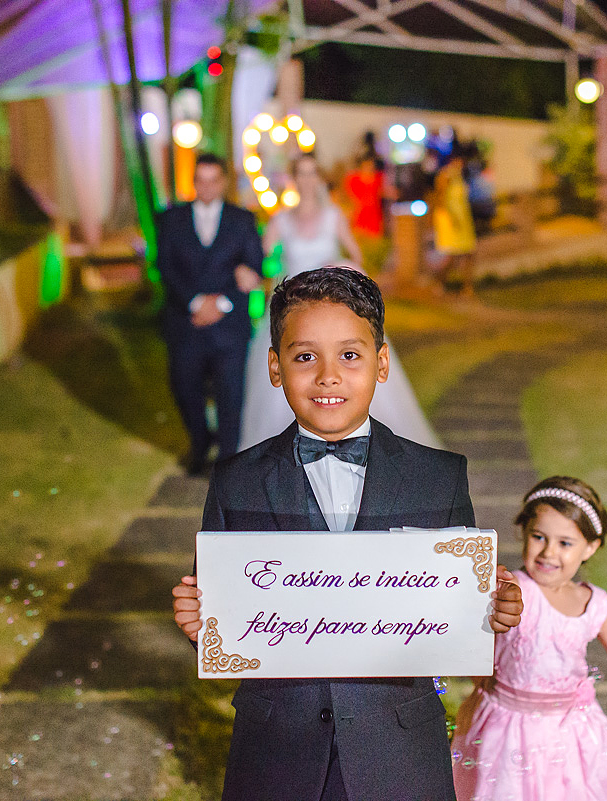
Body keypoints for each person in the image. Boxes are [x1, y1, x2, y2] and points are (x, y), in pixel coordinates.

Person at [171, 267, 525, 801]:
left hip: (399, 750)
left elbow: (456, 602)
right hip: (276, 748)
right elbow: (224, 600)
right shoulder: (236, 481)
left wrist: (491, 609)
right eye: (305, 356)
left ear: (382, 363)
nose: (328, 376)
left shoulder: (438, 476)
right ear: (275, 366)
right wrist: (202, 622)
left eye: (350, 355)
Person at [452, 476, 607, 801]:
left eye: (565, 543)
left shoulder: (594, 603)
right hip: (507, 730)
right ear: (523, 532)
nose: (548, 552)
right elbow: (475, 640)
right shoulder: (515, 590)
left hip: (573, 732)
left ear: (590, 547)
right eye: (538, 537)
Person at [239, 153, 439, 451]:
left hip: (332, 305)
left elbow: (356, 257)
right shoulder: (281, 220)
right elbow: (260, 259)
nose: (307, 180)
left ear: (319, 178)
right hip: (293, 309)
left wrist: (339, 263)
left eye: (312, 173)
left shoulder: (333, 215)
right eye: (301, 174)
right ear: (293, 179)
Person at [155, 153, 264, 474]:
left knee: (231, 395)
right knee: (184, 388)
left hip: (229, 326)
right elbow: (164, 266)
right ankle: (200, 443)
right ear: (193, 182)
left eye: (213, 180)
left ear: (224, 182)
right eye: (200, 180)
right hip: (184, 323)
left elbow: (254, 266)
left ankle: (227, 462)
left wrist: (221, 304)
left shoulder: (242, 220)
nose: (206, 186)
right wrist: (194, 302)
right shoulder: (171, 219)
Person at [431, 152, 478, 297]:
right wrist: (451, 218)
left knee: (469, 253)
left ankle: (467, 287)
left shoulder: (460, 177)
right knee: (451, 256)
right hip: (450, 220)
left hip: (463, 219)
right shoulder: (446, 175)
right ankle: (439, 282)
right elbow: (440, 198)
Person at [344, 154, 385, 238]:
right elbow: (349, 197)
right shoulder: (354, 179)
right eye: (367, 165)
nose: (370, 167)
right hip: (360, 216)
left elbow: (383, 191)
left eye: (371, 165)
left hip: (374, 217)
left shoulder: (378, 178)